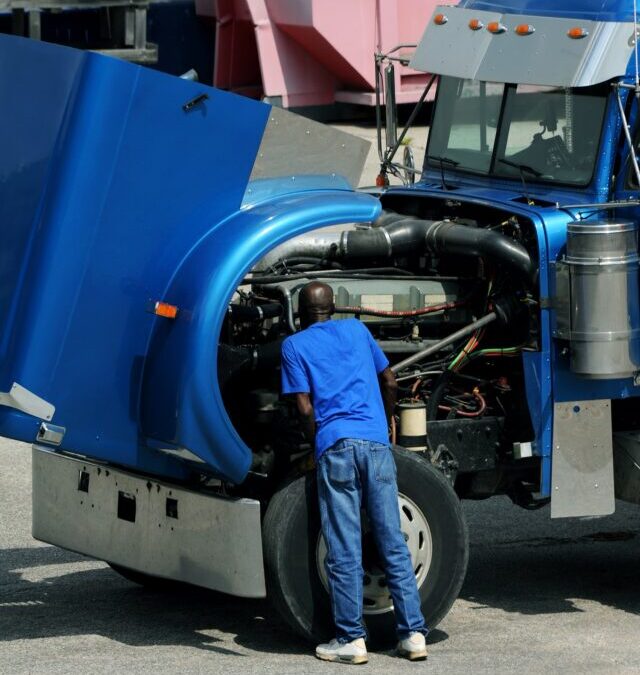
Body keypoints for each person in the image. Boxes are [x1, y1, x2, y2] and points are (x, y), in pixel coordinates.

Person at [280, 281, 428, 665]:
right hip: (376, 444)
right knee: (392, 540)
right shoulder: (357, 330)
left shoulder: (294, 345)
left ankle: (351, 639)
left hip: (337, 446)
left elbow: (304, 407)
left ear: (300, 313)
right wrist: (388, 421)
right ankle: (413, 634)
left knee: (344, 546)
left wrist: (317, 444)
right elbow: (390, 379)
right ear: (334, 307)